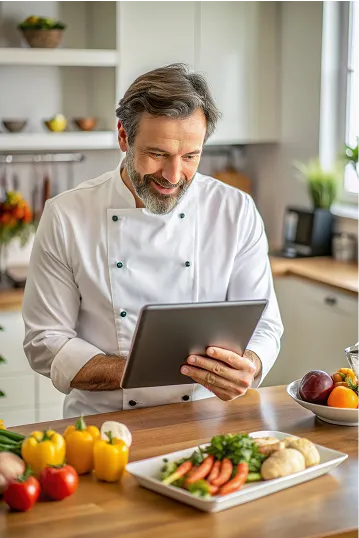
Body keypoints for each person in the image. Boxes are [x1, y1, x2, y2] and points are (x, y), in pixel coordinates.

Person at [22, 63, 283, 418]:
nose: (174, 176)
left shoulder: (235, 210)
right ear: (123, 137)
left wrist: (250, 364)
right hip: (104, 425)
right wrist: (138, 370)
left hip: (208, 421)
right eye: (157, 154)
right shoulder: (67, 215)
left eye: (190, 156)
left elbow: (264, 324)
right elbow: (45, 342)